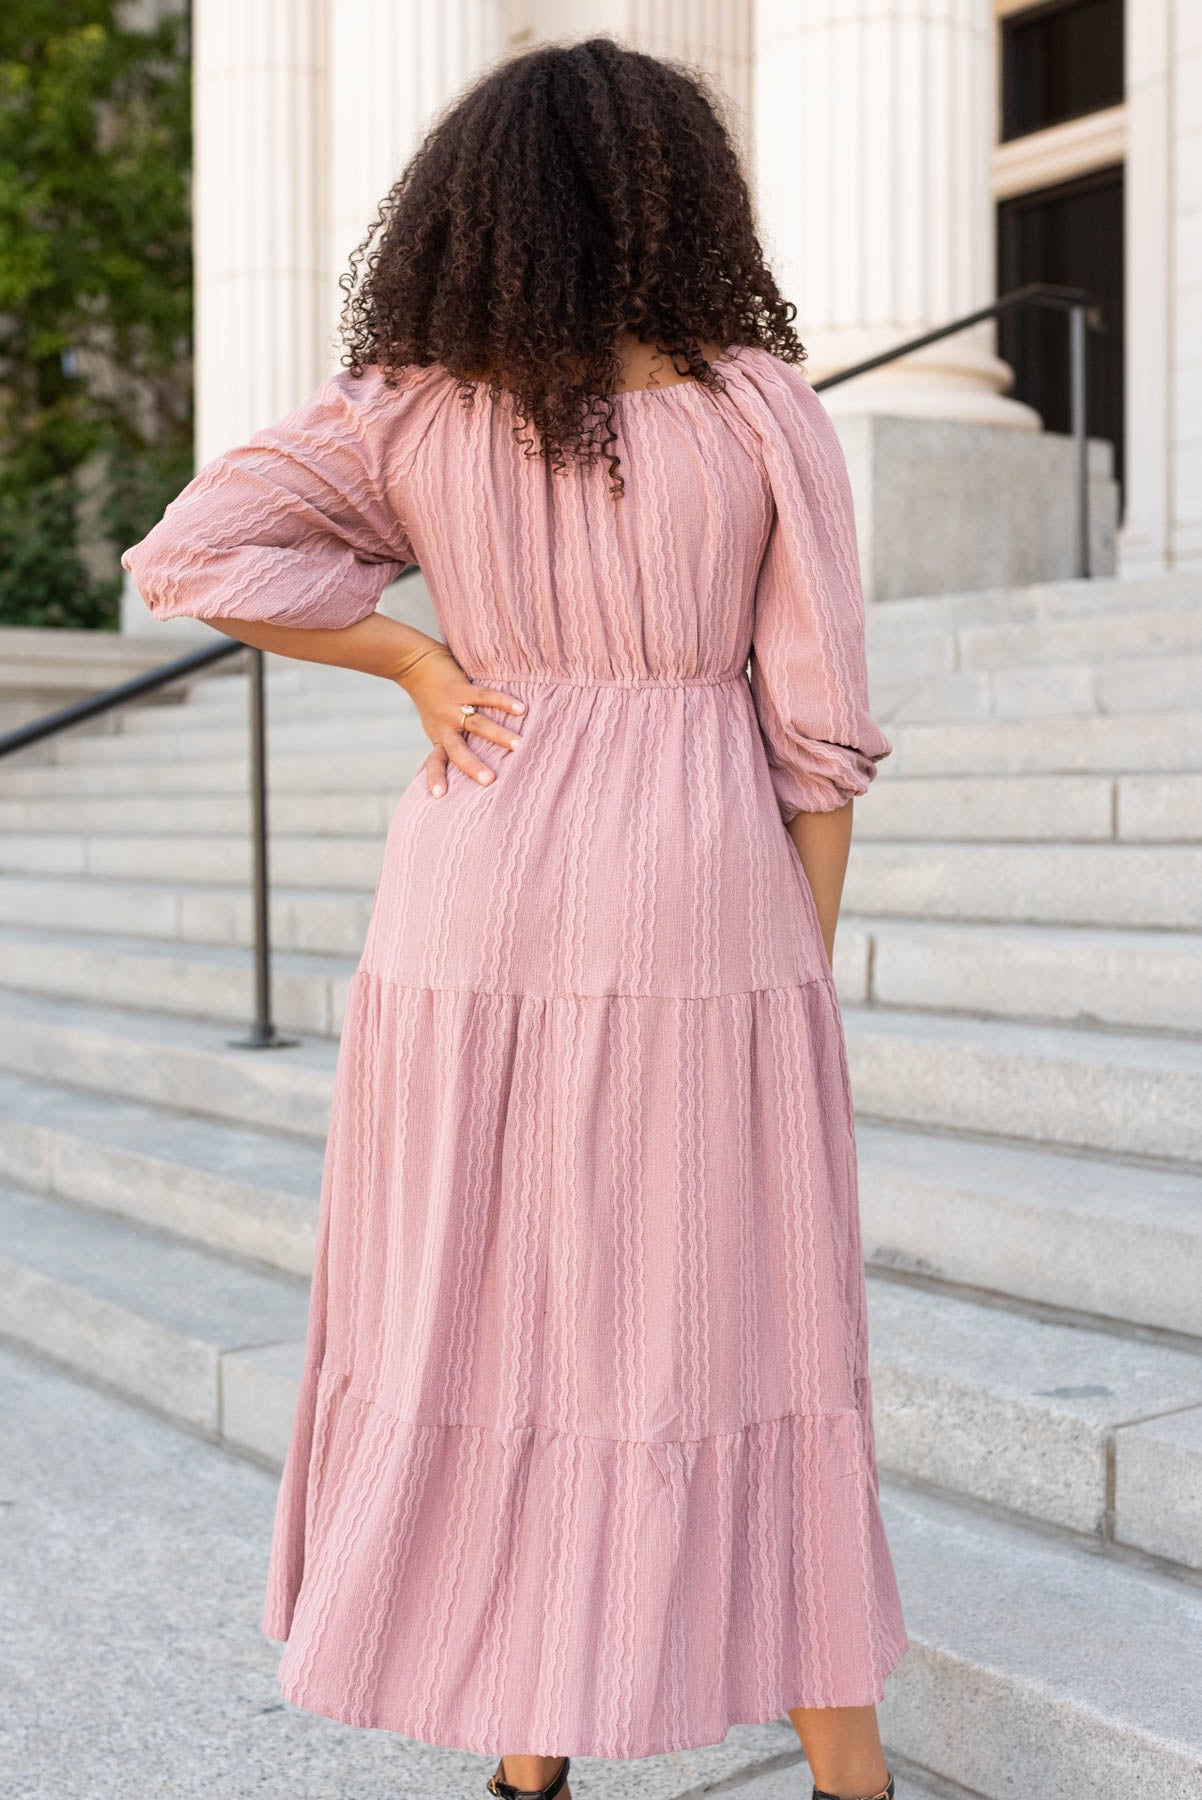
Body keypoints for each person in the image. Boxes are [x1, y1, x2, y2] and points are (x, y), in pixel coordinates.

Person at [122, 34, 906, 1800]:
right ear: (676, 201)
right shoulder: (752, 399)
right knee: (741, 1311)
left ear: (469, 211)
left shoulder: (411, 405)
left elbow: (186, 552)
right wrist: (805, 973)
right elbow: (817, 724)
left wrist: (410, 650)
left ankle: (528, 1756)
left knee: (488, 1291)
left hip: (476, 869)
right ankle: (844, 1768)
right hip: (696, 885)